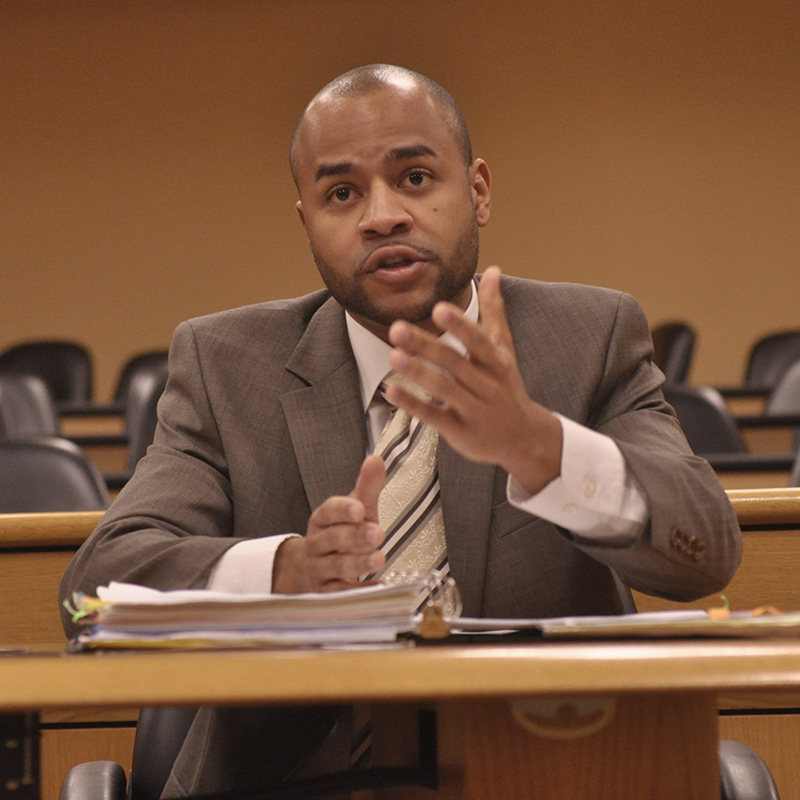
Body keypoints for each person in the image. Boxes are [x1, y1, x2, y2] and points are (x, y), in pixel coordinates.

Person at [60, 64, 741, 797]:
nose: (380, 215)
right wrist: (288, 574)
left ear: (477, 191)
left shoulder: (589, 337)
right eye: (342, 193)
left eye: (414, 178)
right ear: (307, 222)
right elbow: (94, 589)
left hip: (554, 770)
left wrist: (542, 449)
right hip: (291, 780)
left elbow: (702, 551)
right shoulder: (228, 366)